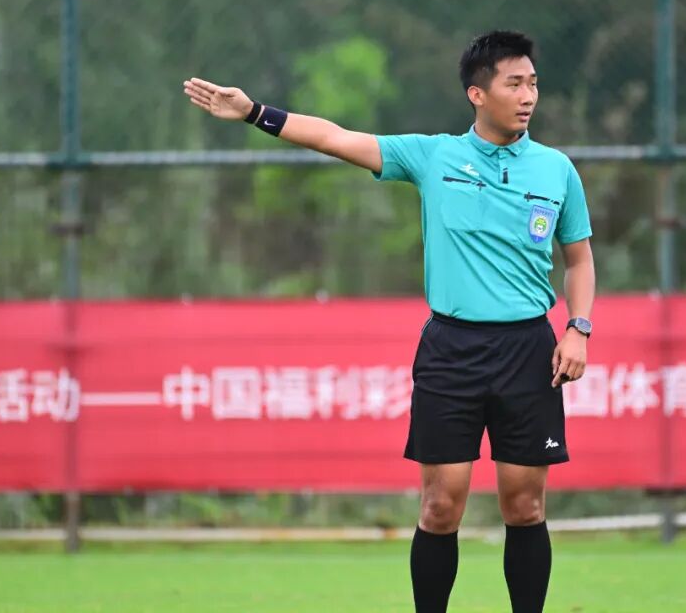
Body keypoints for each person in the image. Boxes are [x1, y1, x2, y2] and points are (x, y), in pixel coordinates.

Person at [183, 30, 595, 613]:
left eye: (533, 83)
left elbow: (578, 258)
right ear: (478, 94)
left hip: (529, 350)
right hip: (451, 349)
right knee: (441, 505)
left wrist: (578, 327)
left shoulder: (556, 170)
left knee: (525, 506)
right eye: (514, 84)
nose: (529, 96)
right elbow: (336, 138)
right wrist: (254, 112)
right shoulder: (433, 156)